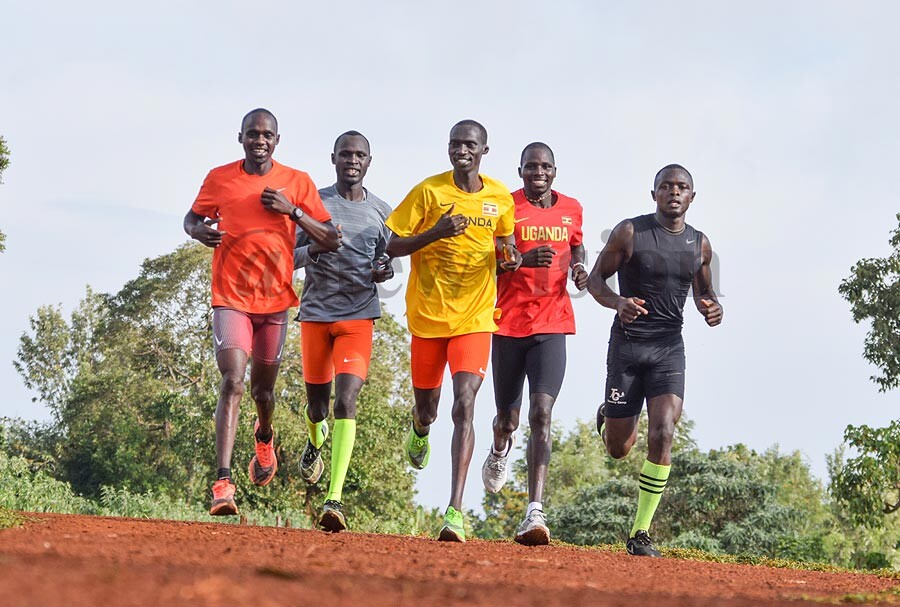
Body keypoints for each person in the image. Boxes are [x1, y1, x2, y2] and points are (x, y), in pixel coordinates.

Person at [184, 108, 339, 516]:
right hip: (231, 297)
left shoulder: (297, 182)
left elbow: (330, 238)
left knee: (263, 392)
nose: (259, 140)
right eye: (252, 134)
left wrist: (293, 211)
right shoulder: (219, 178)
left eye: (267, 135)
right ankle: (223, 484)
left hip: (274, 303)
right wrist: (198, 231)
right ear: (241, 138)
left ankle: (264, 435)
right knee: (233, 381)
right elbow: (192, 217)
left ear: (277, 140)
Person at [385, 120, 522, 542]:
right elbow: (391, 245)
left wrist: (510, 258)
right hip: (428, 318)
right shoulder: (429, 192)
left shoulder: (500, 197)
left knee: (465, 404)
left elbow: (505, 247)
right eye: (455, 144)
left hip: (475, 319)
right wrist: (436, 233)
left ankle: (454, 511)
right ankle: (420, 430)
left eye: (470, 145)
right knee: (428, 409)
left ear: (484, 151)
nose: (462, 150)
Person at [587, 164, 722, 556]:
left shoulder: (699, 244)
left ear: (692, 197)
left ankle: (640, 533)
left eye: (681, 187)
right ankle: (608, 417)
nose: (674, 192)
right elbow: (595, 281)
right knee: (619, 448)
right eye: (666, 186)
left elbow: (704, 292)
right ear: (654, 194)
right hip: (628, 348)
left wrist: (711, 307)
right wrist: (618, 303)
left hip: (668, 348)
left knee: (664, 430)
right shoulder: (631, 232)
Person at [481, 142, 588, 545]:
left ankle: (534, 510)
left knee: (541, 413)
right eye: (530, 166)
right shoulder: (505, 206)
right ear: (520, 171)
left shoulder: (572, 208)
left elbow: (577, 244)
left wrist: (579, 266)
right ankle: (499, 448)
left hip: (552, 322)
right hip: (508, 324)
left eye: (545, 166)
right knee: (507, 420)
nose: (538, 172)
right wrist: (523, 261)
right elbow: (489, 262)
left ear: (554, 171)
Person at [294, 130, 394, 532]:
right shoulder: (313, 204)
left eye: (359, 155)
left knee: (346, 401)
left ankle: (334, 498)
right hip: (316, 315)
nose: (352, 160)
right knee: (318, 408)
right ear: (333, 158)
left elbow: (387, 261)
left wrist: (383, 270)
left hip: (358, 317)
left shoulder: (382, 212)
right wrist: (315, 248)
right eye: (345, 154)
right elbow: (288, 255)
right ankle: (314, 440)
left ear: (369, 162)